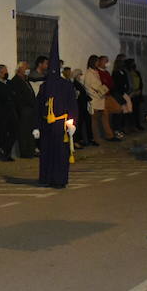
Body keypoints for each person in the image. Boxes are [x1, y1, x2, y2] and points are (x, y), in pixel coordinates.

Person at [35, 37, 77, 189]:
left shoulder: (66, 85)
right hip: (47, 125)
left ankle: (59, 179)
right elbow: (38, 107)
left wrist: (72, 123)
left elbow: (72, 105)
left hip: (61, 124)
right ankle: (46, 177)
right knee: (46, 152)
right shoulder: (44, 87)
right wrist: (36, 126)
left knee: (60, 153)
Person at [9, 61, 38, 158]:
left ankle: (31, 150)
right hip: (23, 110)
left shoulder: (26, 80)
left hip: (30, 110)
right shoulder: (15, 81)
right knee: (24, 132)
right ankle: (25, 152)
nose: (27, 70)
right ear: (20, 69)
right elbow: (18, 98)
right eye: (25, 68)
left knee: (30, 131)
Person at [0, 64, 16, 162]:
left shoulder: (9, 82)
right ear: (0, 73)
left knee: (14, 132)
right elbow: (2, 96)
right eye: (5, 71)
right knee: (3, 133)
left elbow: (14, 94)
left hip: (11, 111)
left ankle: (6, 150)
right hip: (2, 112)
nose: (7, 73)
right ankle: (4, 154)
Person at [83, 55, 110, 143]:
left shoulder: (96, 72)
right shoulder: (88, 73)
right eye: (97, 61)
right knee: (93, 120)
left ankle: (100, 136)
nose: (98, 63)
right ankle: (95, 138)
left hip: (100, 98)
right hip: (94, 99)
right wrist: (96, 94)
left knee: (99, 119)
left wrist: (102, 91)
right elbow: (87, 87)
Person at [71, 65, 96, 146]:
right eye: (80, 74)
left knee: (87, 122)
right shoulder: (74, 84)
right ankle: (80, 140)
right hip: (79, 107)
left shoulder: (79, 83)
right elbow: (79, 95)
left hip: (83, 106)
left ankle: (89, 139)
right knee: (80, 124)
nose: (81, 76)